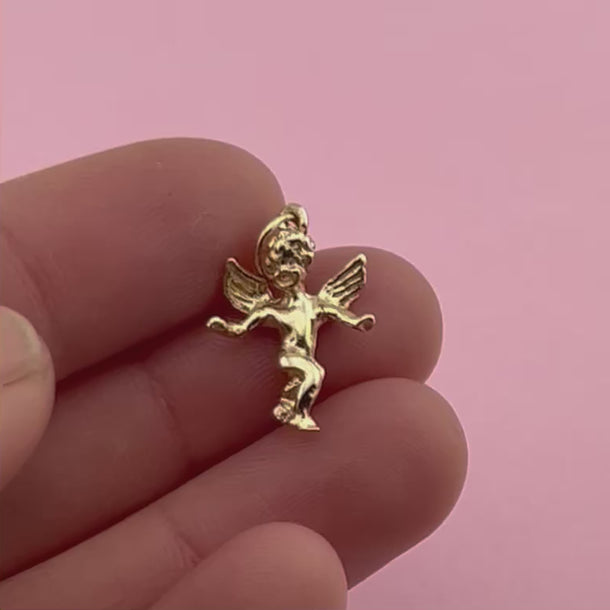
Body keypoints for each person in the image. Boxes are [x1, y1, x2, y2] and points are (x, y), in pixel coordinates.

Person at [0, 138, 467, 609]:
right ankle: (292, 407)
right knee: (308, 373)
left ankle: (292, 405)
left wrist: (359, 321)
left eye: (296, 261)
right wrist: (228, 327)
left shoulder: (310, 303)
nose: (291, 270)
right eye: (282, 263)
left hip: (300, 359)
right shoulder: (278, 308)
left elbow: (338, 310)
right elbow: (250, 318)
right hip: (289, 358)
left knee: (315, 376)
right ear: (271, 269)